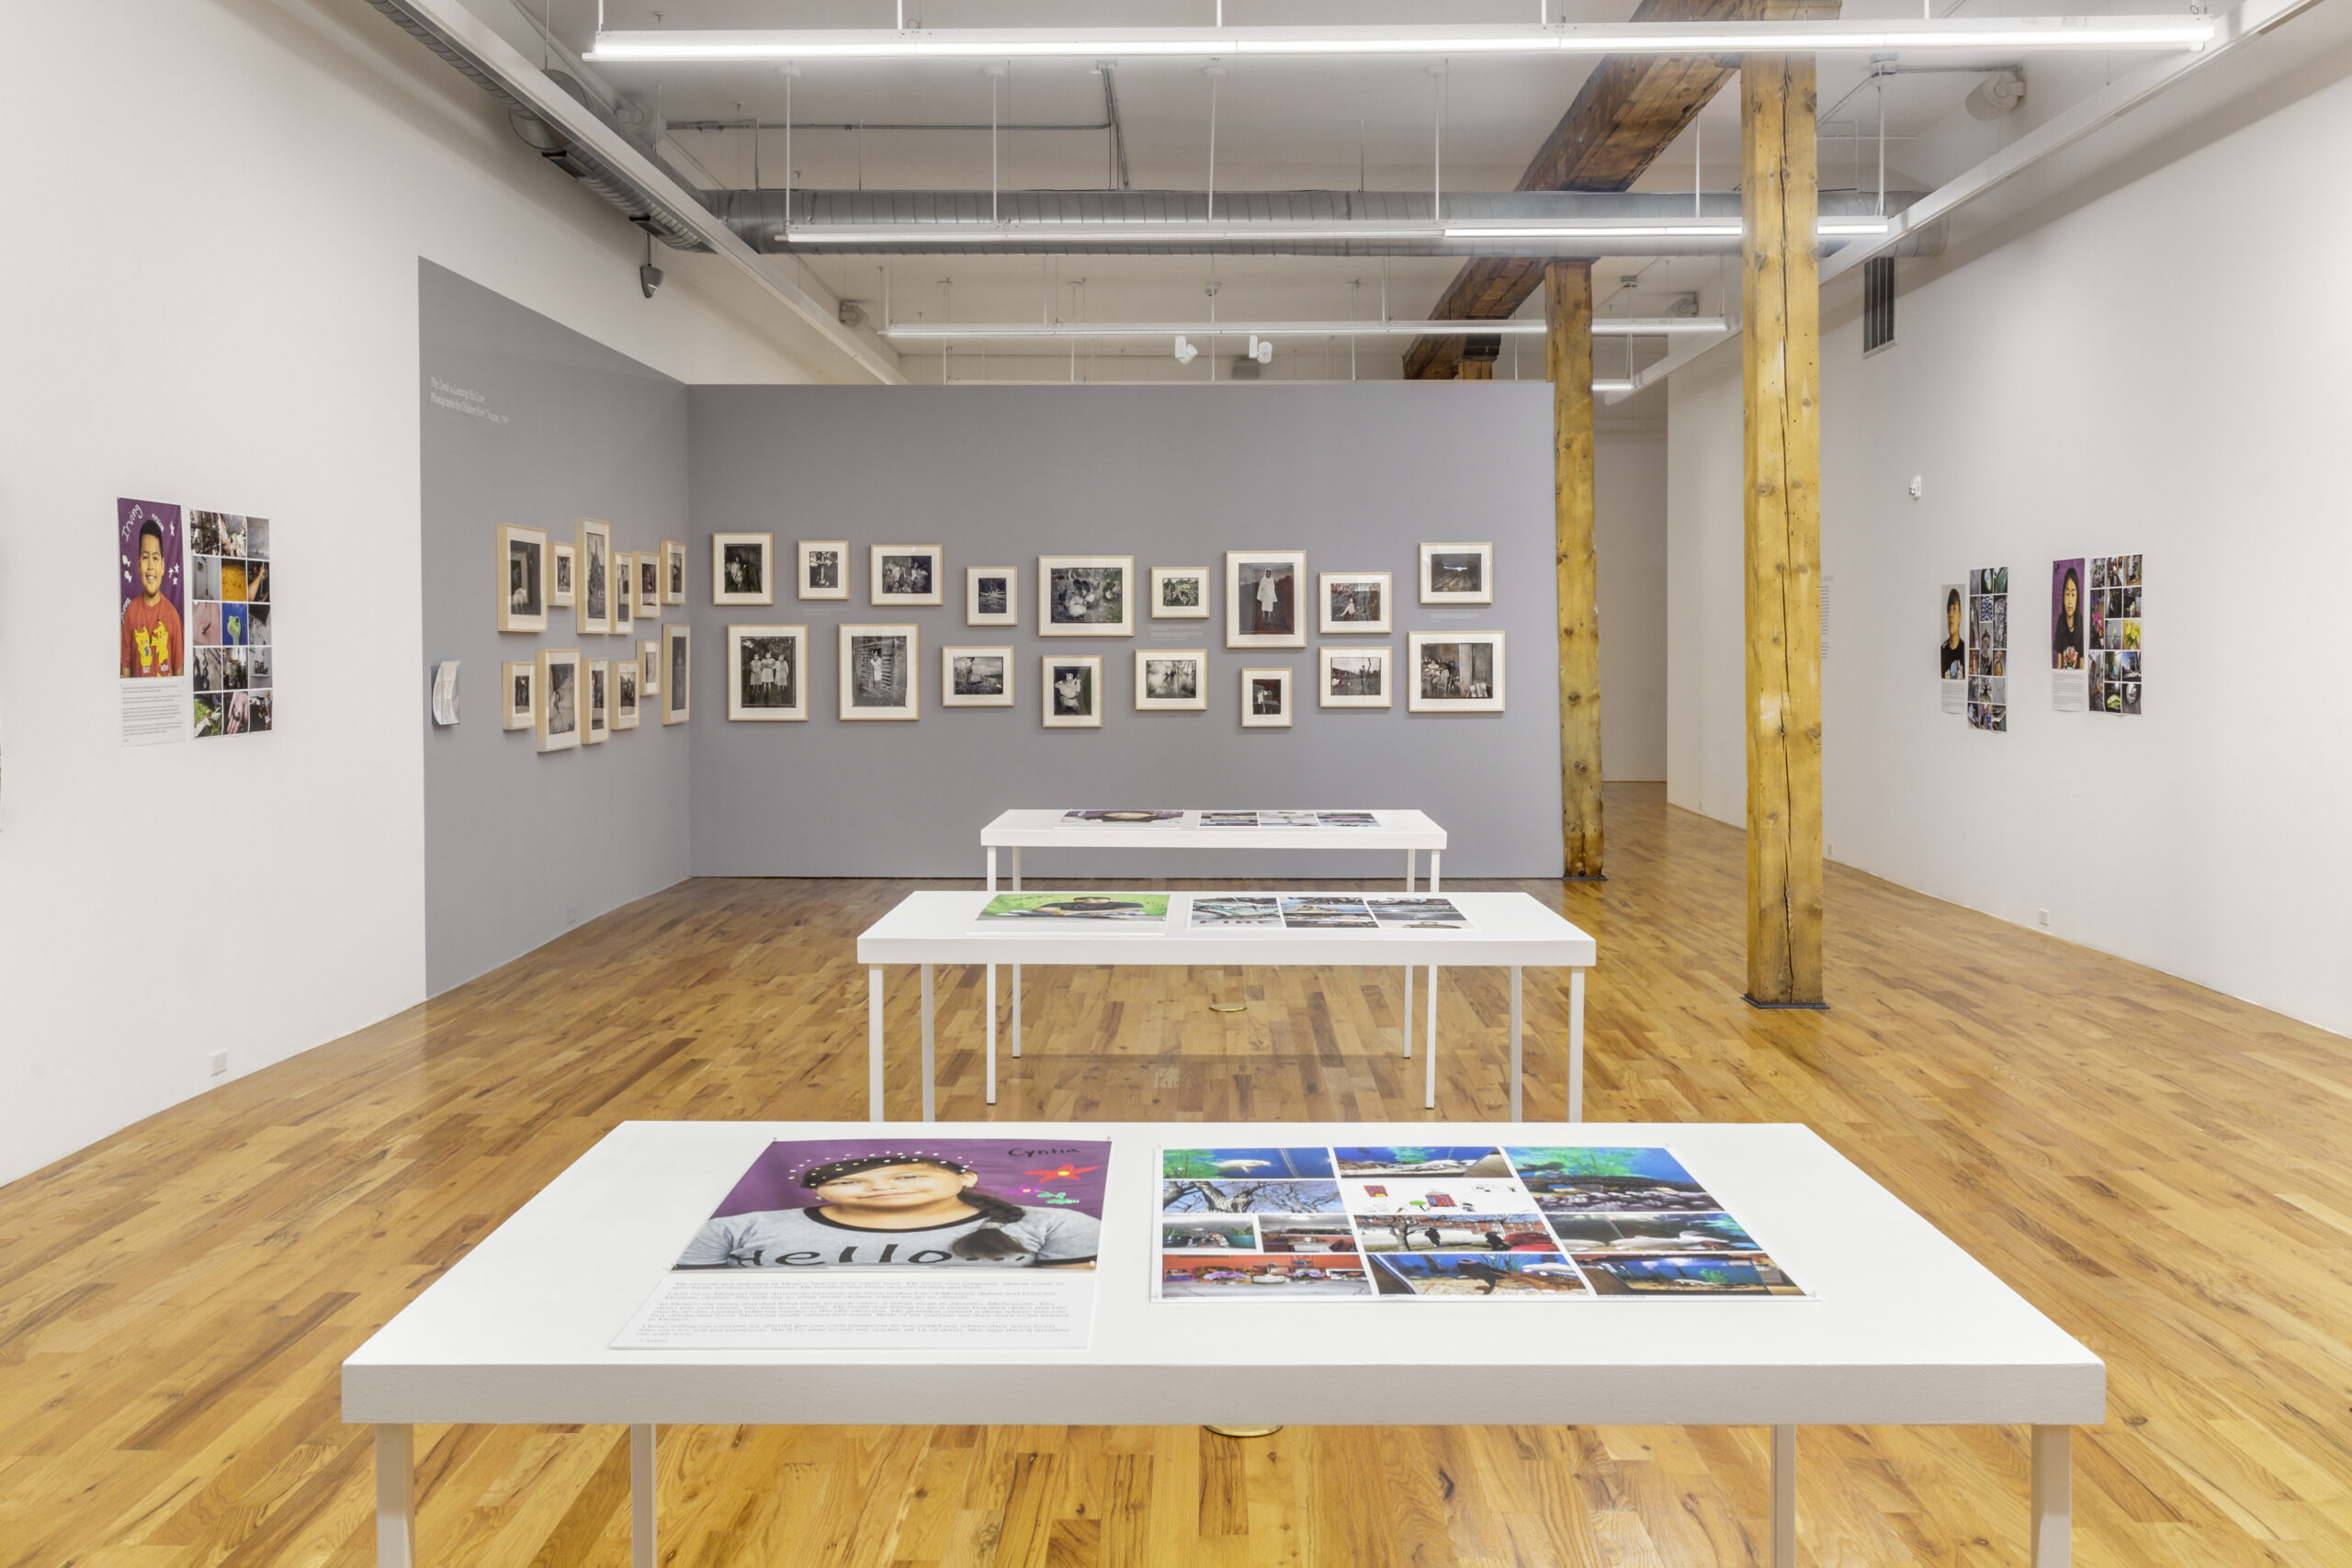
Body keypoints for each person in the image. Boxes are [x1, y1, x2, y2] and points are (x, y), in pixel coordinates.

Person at [678, 1154, 1099, 1268]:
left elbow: (1077, 1305)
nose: (878, 1188)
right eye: (847, 1181)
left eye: (908, 1176)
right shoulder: (731, 1229)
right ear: (820, 1191)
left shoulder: (1057, 1223)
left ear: (966, 1178)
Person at [120, 517, 184, 678]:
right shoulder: (130, 614)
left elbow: (179, 672)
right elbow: (126, 670)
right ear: (138, 564)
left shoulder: (173, 617)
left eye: (155, 558)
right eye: (145, 557)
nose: (150, 566)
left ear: (162, 566)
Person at [2052, 568, 2083, 669]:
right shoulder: (2061, 621)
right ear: (2063, 598)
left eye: (2073, 595)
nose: (2070, 600)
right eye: (2067, 594)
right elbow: (2059, 664)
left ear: (2077, 598)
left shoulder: (2081, 623)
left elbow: (2082, 664)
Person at [1940, 588, 1966, 678]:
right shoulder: (1942, 651)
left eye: (1954, 609)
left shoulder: (1965, 649)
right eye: (1949, 609)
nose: (1951, 614)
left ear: (1960, 616)